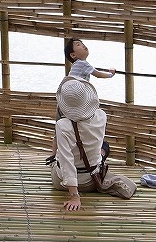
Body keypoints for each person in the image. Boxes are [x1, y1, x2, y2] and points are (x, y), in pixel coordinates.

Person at [49, 77, 135, 210]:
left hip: (63, 183)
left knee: (58, 159)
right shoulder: (102, 116)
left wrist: (75, 196)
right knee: (103, 146)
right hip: (91, 180)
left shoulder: (62, 126)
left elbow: (67, 161)